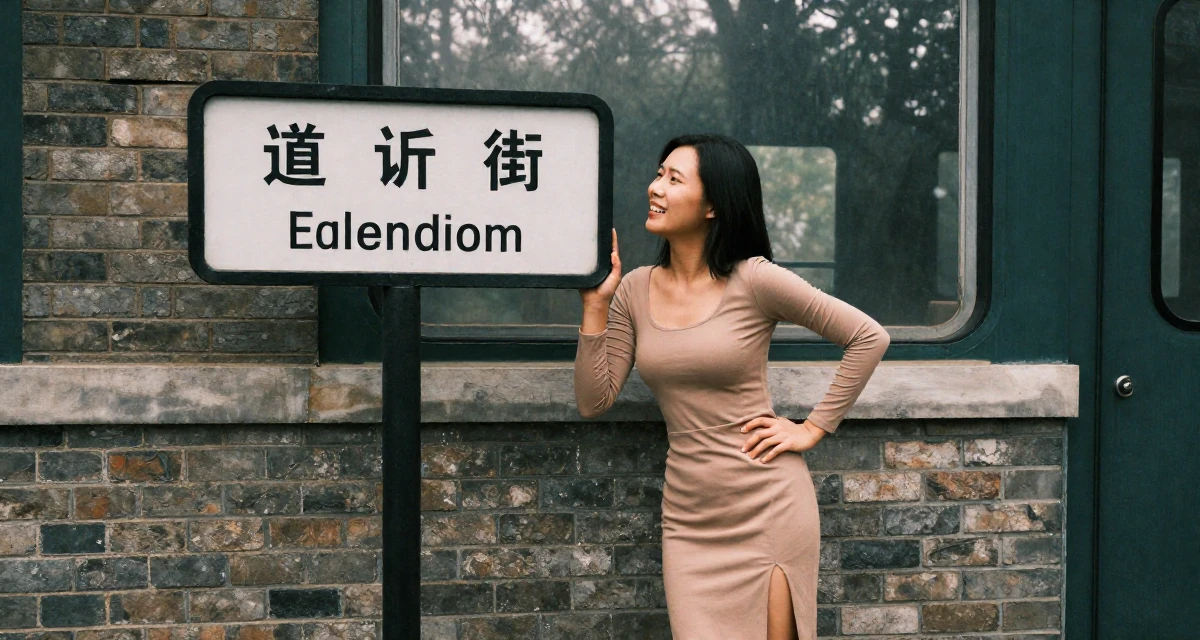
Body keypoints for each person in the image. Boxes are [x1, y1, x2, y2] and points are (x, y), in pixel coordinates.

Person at [574, 133, 891, 640]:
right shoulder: (634, 288)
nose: (655, 187)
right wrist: (595, 305)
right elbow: (594, 399)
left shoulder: (755, 280)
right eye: (659, 174)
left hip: (767, 508)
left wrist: (811, 428)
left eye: (674, 179)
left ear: (713, 206)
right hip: (689, 520)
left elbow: (868, 336)